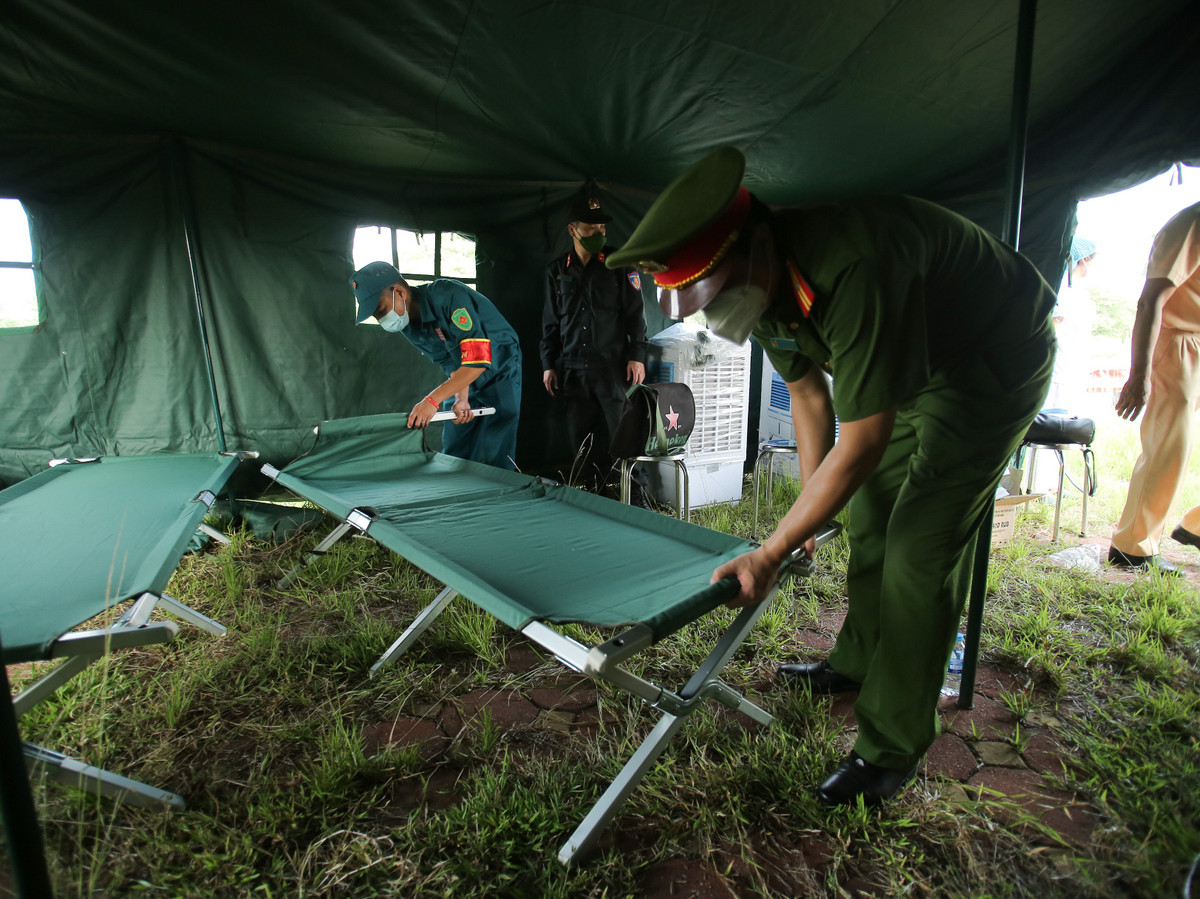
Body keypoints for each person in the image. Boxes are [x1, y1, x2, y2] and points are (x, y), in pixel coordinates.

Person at [607, 148, 1056, 807]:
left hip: (991, 362)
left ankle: (890, 746)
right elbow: (810, 397)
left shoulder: (854, 266)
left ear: (758, 242)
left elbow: (863, 441)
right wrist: (806, 524)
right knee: (870, 512)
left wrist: (771, 550)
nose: (719, 309)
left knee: (920, 544)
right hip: (915, 363)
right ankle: (856, 660)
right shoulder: (760, 280)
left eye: (720, 291)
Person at [351, 261, 522, 470]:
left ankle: (502, 487)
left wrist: (431, 401)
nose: (382, 319)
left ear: (400, 293)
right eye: (377, 316)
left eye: (381, 310)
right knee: (456, 441)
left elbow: (477, 361)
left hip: (500, 365)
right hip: (464, 371)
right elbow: (450, 363)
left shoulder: (447, 295)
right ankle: (456, 487)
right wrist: (461, 398)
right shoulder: (408, 325)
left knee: (499, 441)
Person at [1108, 200, 1200, 571]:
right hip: (1177, 342)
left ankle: (1196, 526)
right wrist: (1139, 375)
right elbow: (1150, 301)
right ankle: (1133, 546)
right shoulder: (1192, 222)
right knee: (1168, 448)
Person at [541, 193, 649, 494]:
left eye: (602, 227)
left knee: (622, 434)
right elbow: (550, 324)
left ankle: (635, 495)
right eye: (590, 228)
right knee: (581, 439)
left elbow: (636, 316)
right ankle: (593, 493)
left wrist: (637, 355)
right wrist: (548, 364)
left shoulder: (620, 265)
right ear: (572, 230)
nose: (598, 233)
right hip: (573, 368)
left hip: (612, 366)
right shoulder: (557, 271)